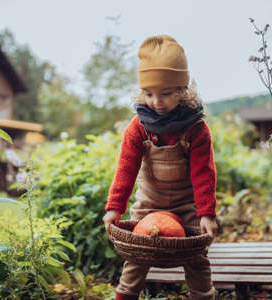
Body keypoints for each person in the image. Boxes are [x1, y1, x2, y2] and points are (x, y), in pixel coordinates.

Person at [103, 34, 218, 300]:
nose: (156, 101)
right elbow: (125, 169)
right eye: (148, 93)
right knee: (136, 259)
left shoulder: (195, 128)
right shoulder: (138, 128)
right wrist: (114, 208)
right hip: (149, 204)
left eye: (165, 94)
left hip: (187, 206)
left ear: (183, 90)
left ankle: (203, 296)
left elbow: (204, 174)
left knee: (197, 259)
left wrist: (207, 214)